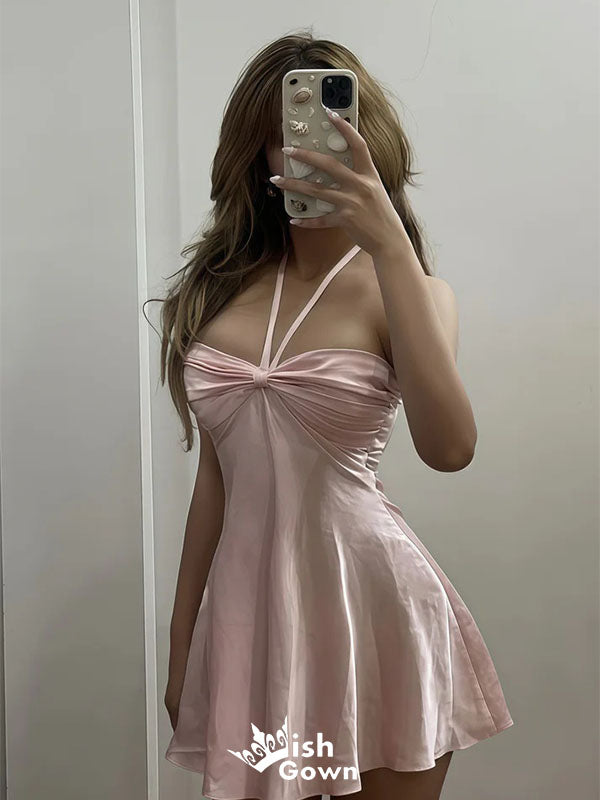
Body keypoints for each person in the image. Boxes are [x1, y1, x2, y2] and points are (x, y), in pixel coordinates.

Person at [156, 30, 514, 800]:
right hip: (252, 626)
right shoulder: (217, 295)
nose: (307, 156)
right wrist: (182, 641)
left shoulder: (410, 293)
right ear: (258, 155)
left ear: (366, 140)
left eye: (330, 131)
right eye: (284, 137)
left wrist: (390, 249)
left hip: (375, 616)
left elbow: (451, 448)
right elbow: (215, 483)